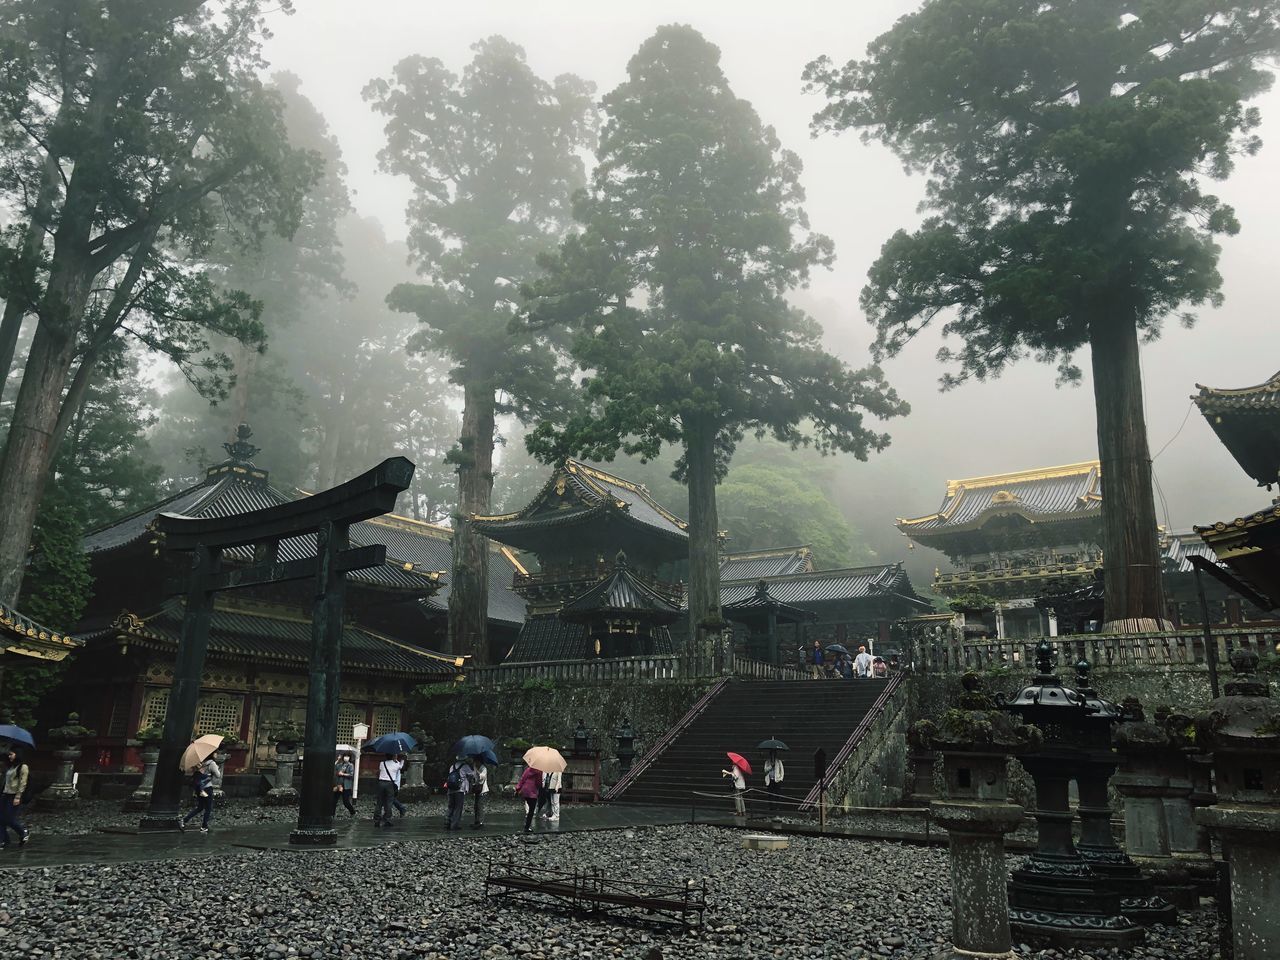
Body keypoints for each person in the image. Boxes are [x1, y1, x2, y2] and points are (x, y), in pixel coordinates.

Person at [0, 747, 30, 848]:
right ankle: (3, 840)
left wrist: (18, 796)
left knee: (9, 818)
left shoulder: (23, 767)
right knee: (1, 818)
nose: (9, 756)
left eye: (11, 754)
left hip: (14, 794)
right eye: (9, 755)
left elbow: (23, 782)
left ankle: (23, 831)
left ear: (17, 754)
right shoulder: (10, 767)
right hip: (5, 794)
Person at [179, 757, 216, 833]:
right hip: (206, 789)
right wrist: (212, 773)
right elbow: (218, 775)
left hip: (199, 789)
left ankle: (184, 820)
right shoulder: (208, 764)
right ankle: (204, 827)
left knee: (200, 807)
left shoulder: (198, 766)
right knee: (208, 808)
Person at [374, 753, 403, 826]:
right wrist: (402, 759)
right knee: (389, 802)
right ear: (393, 756)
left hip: (381, 783)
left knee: (379, 802)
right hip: (389, 784)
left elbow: (380, 771)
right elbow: (401, 767)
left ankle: (377, 819)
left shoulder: (382, 763)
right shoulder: (396, 765)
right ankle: (386, 818)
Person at [464, 755, 488, 828]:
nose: (475, 763)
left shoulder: (483, 768)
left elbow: (482, 777)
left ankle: (480, 822)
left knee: (480, 806)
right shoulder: (475, 767)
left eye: (476, 761)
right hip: (477, 789)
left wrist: (477, 771)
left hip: (483, 790)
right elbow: (474, 777)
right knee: (476, 806)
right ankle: (476, 821)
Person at [444, 757, 468, 831]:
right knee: (458, 807)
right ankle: (454, 825)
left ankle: (447, 822)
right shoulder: (465, 766)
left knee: (450, 806)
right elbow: (472, 773)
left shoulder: (452, 766)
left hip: (451, 789)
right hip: (459, 789)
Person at [516, 764, 542, 832]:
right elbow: (538, 783)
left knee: (529, 805)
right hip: (532, 792)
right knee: (531, 810)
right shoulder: (539, 771)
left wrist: (518, 788)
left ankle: (527, 825)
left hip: (525, 790)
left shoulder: (528, 769)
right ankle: (527, 827)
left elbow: (522, 779)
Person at [332, 751, 357, 817]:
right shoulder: (340, 764)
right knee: (334, 800)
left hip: (346, 786)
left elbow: (351, 774)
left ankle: (353, 812)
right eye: (345, 756)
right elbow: (333, 767)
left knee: (346, 802)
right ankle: (332, 814)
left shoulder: (350, 765)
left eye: (348, 756)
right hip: (339, 785)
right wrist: (338, 759)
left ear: (349, 757)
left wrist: (343, 774)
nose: (346, 757)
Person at [390, 753, 408, 818]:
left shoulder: (397, 764)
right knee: (390, 798)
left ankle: (401, 808)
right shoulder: (398, 764)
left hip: (394, 784)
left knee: (390, 798)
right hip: (394, 783)